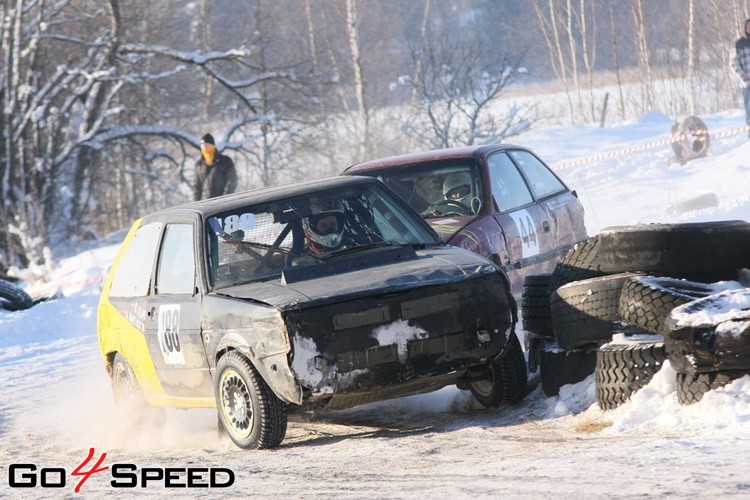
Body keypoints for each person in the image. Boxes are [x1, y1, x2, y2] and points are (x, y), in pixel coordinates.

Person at [193, 133, 237, 201]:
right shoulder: (199, 165)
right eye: (202, 145)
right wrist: (196, 204)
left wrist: (225, 199)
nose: (204, 147)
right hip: (205, 204)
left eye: (206, 144)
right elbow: (196, 187)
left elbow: (232, 181)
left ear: (212, 145)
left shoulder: (225, 161)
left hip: (223, 203)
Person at [733, 18, 750, 138]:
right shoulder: (739, 44)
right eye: (748, 26)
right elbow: (734, 64)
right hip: (747, 84)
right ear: (745, 28)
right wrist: (744, 78)